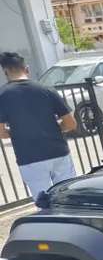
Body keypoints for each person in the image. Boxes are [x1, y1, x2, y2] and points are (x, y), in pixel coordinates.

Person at [0, 52, 78, 198]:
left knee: (44, 203)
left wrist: (17, 132)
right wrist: (54, 128)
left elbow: (1, 133)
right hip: (58, 152)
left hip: (29, 157)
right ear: (27, 69)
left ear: (5, 72)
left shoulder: (2, 95)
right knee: (69, 198)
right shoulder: (47, 89)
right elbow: (71, 124)